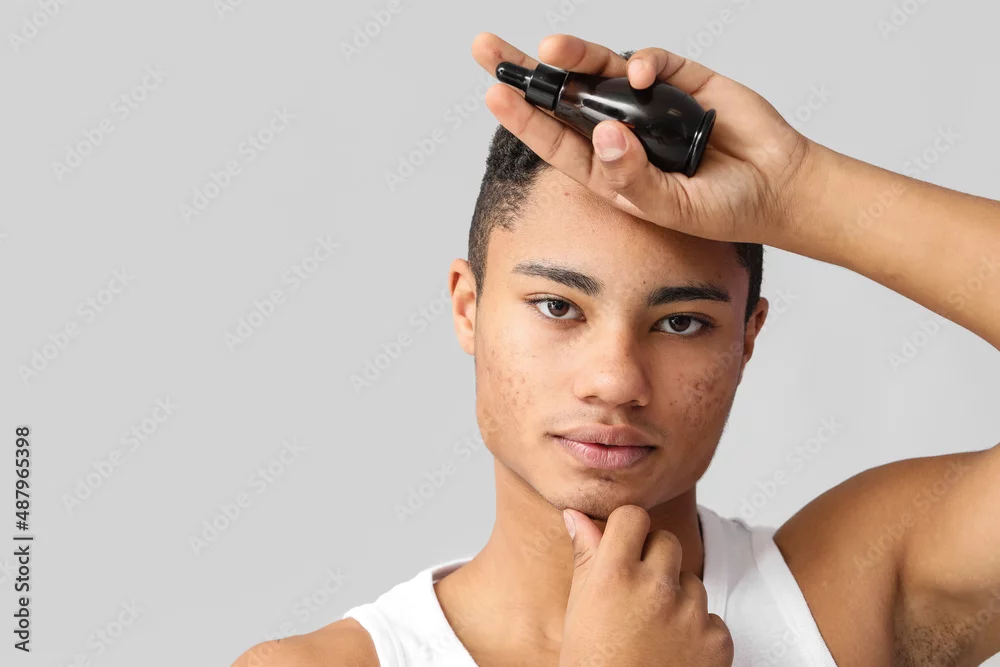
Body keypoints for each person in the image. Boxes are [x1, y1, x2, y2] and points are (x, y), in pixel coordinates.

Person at [232, 32, 1000, 667]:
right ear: (468, 307)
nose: (615, 380)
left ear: (747, 336)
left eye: (681, 322)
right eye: (558, 307)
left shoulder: (852, 592)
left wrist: (798, 187)